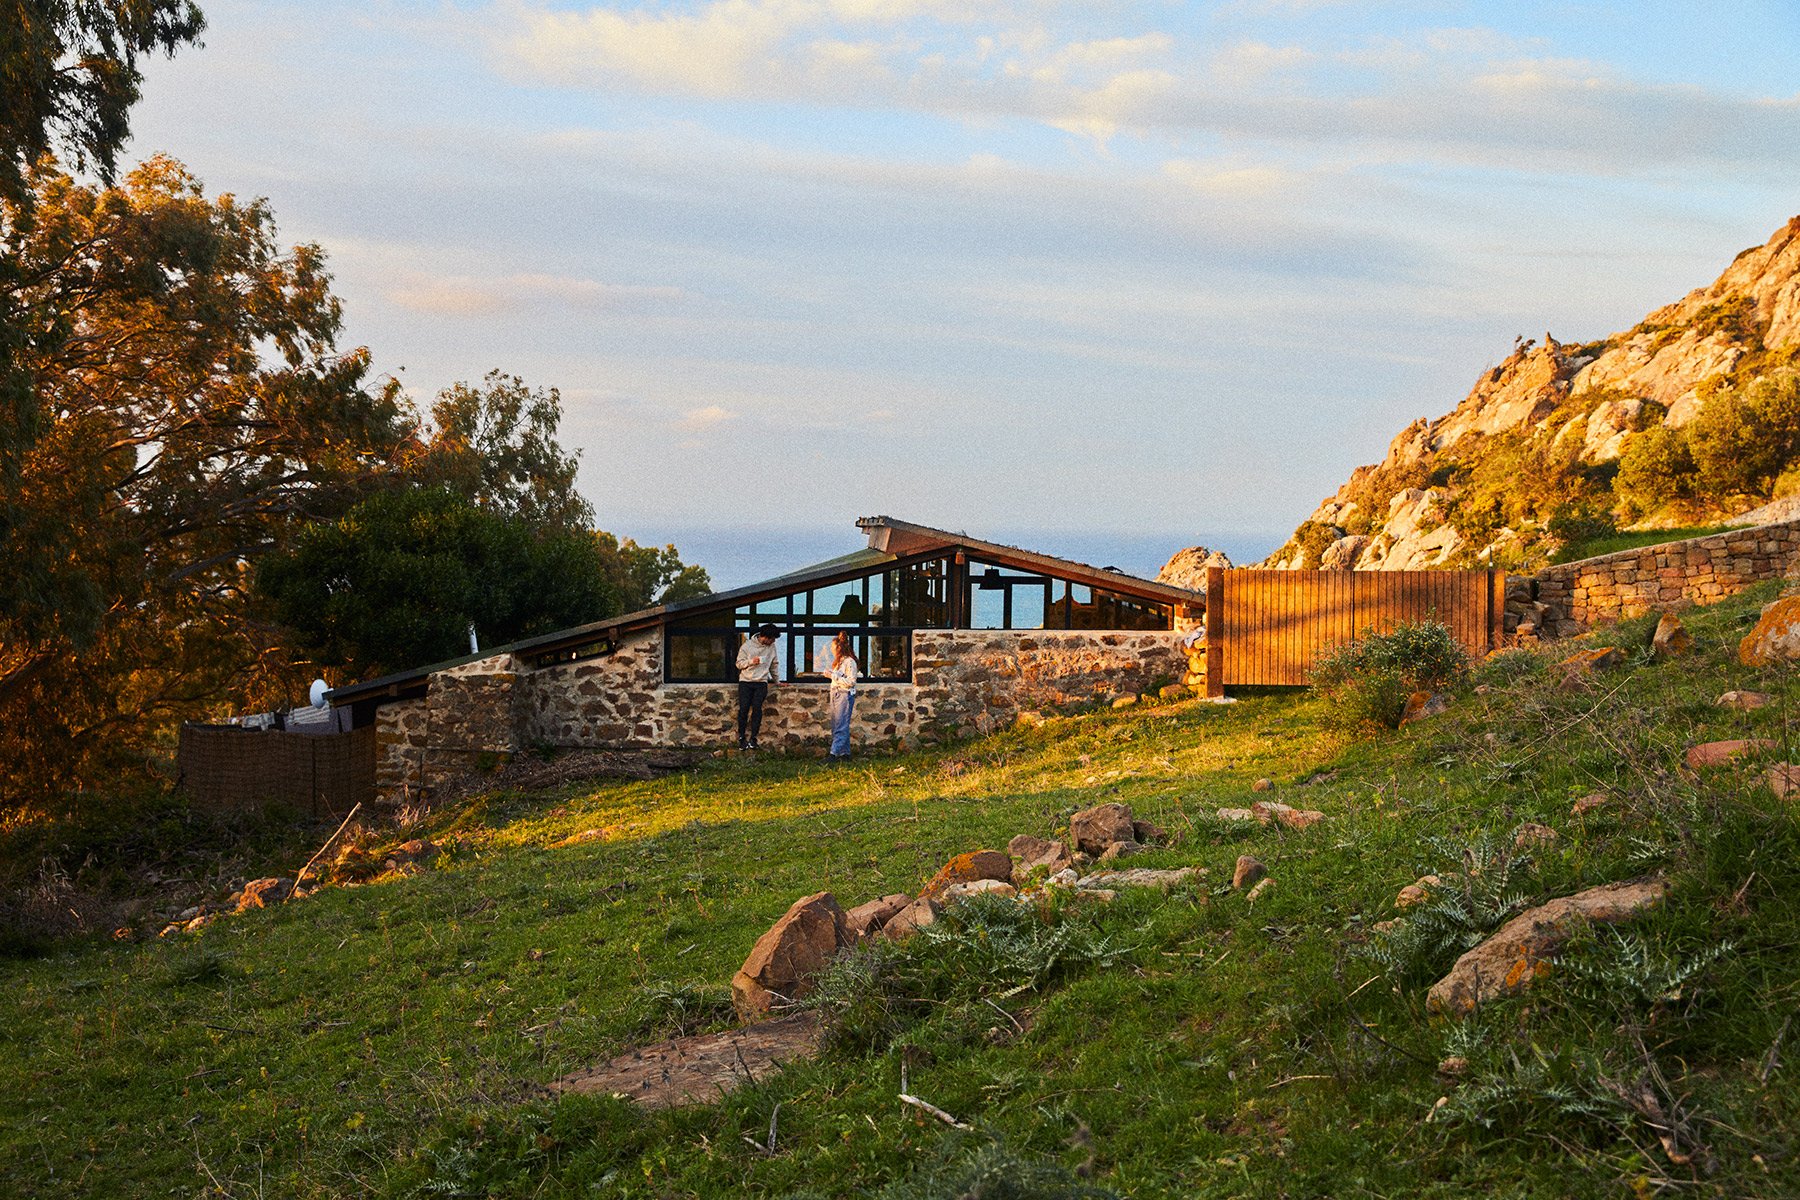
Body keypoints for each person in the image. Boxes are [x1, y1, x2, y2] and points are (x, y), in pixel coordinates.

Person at [735, 624, 781, 750]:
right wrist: (751, 662)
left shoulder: (771, 648)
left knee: (757, 709)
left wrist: (777, 681)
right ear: (765, 637)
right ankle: (741, 737)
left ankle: (753, 738)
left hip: (761, 682)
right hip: (746, 682)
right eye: (772, 639)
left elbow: (774, 665)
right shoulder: (747, 646)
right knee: (743, 709)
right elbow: (738, 664)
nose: (773, 641)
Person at [824, 631, 859, 762]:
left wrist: (832, 675)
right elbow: (840, 677)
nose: (831, 650)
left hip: (844, 695)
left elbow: (851, 682)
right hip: (836, 693)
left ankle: (833, 754)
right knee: (837, 724)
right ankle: (845, 753)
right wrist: (833, 674)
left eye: (833, 647)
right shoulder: (839, 662)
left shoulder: (850, 662)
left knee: (841, 725)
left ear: (839, 648)